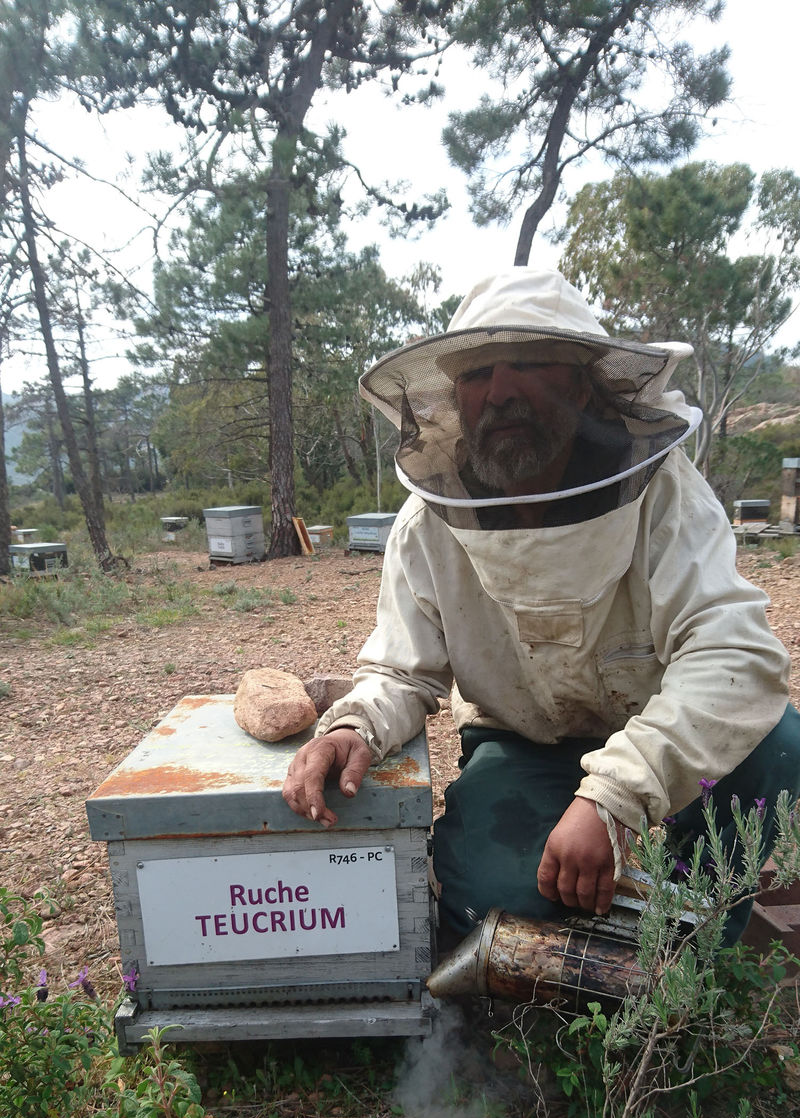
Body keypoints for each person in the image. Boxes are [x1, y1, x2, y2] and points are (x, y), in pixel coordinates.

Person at [283, 269, 800, 948]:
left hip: (662, 724)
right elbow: (402, 670)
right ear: (456, 397)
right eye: (477, 373)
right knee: (490, 907)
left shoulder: (663, 490)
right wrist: (355, 727)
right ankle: (615, 910)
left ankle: (689, 944)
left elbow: (733, 653)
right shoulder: (428, 522)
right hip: (524, 744)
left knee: (778, 742)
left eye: (527, 364)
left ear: (581, 385)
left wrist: (616, 795)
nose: (500, 390)